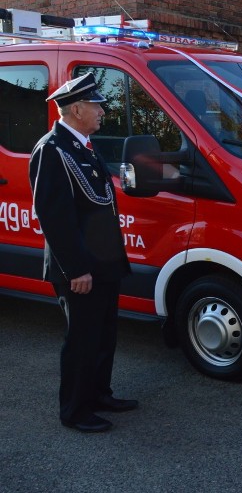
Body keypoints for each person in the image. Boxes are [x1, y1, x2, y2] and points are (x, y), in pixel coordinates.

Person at [29, 72, 135, 433]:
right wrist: (76, 270)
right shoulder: (52, 150)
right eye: (97, 106)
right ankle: (75, 410)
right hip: (79, 269)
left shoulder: (83, 145)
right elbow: (55, 218)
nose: (103, 112)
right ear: (76, 109)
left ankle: (99, 394)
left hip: (103, 263)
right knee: (82, 340)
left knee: (104, 334)